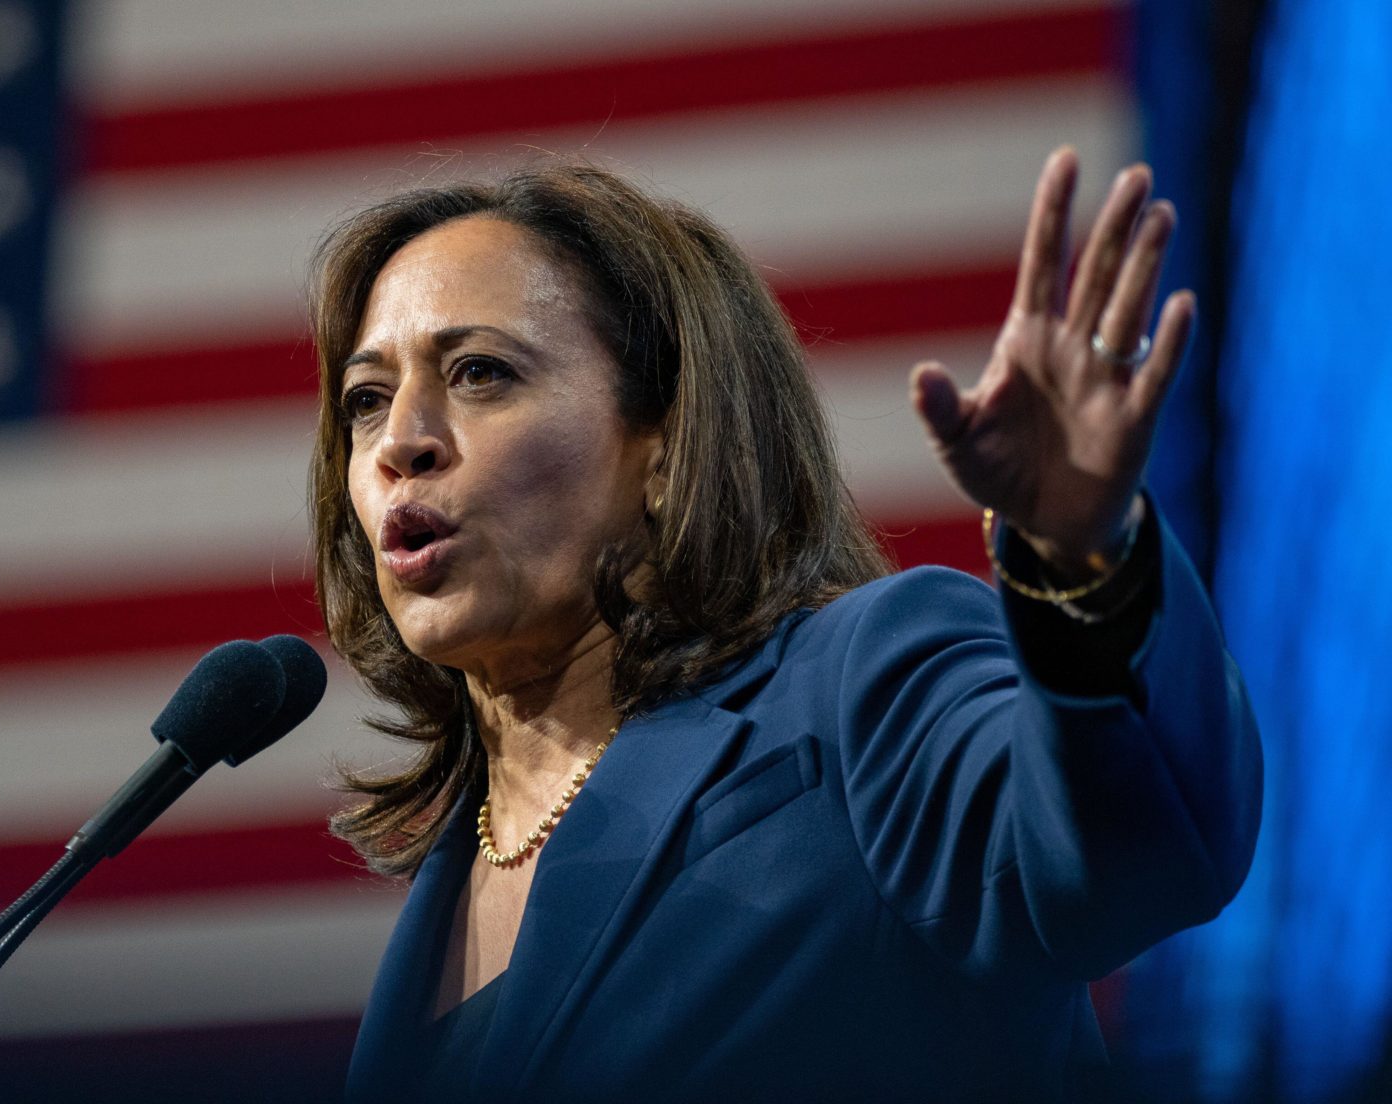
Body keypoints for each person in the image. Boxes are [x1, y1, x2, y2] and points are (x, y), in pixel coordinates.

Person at [305, 149, 1262, 1102]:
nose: (400, 444)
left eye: (479, 372)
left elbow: (1128, 855)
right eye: (367, 400)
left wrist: (1083, 558)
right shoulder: (442, 893)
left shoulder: (859, 689)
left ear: (667, 443)